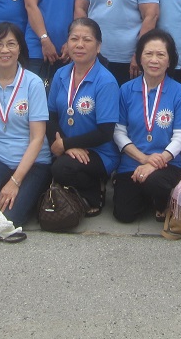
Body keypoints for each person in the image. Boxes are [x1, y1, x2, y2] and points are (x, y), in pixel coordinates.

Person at [0, 22, 52, 227]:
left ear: (20, 48)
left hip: (32, 162)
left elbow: (37, 138)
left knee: (7, 220)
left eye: (11, 44)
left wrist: (15, 181)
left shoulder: (33, 83)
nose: (4, 50)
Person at [112, 29, 181, 223]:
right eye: (148, 54)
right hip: (133, 161)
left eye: (161, 55)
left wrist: (155, 162)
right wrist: (144, 159)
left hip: (166, 164)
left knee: (155, 182)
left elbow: (180, 137)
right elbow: (119, 132)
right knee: (124, 215)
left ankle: (160, 200)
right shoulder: (126, 90)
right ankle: (148, 198)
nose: (154, 60)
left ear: (170, 60)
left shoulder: (180, 92)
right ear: (140, 58)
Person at [46, 18, 120, 216]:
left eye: (87, 40)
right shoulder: (60, 75)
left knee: (61, 169)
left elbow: (105, 133)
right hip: (66, 145)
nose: (79, 45)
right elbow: (51, 116)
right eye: (74, 39)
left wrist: (65, 145)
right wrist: (65, 145)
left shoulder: (106, 81)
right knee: (44, 170)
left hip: (99, 152)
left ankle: (94, 191)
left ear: (98, 46)